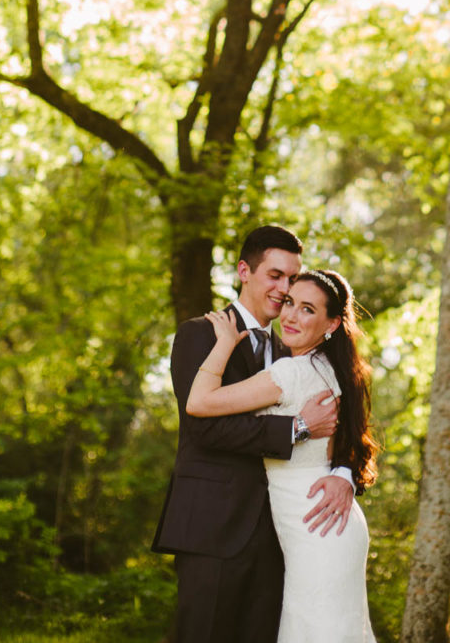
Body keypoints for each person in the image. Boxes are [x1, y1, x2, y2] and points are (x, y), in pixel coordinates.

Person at [151, 225, 355, 643]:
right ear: (245, 270)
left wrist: (344, 473)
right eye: (275, 275)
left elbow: (345, 422)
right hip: (214, 524)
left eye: (292, 278)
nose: (284, 289)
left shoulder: (294, 350)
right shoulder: (200, 333)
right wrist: (296, 428)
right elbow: (204, 426)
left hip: (281, 532)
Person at [187, 267, 378, 643]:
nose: (290, 315)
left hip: (317, 529)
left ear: (332, 323)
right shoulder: (335, 368)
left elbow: (198, 402)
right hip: (324, 527)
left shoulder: (292, 372)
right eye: (290, 303)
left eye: (308, 309)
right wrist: (342, 473)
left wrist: (225, 341)